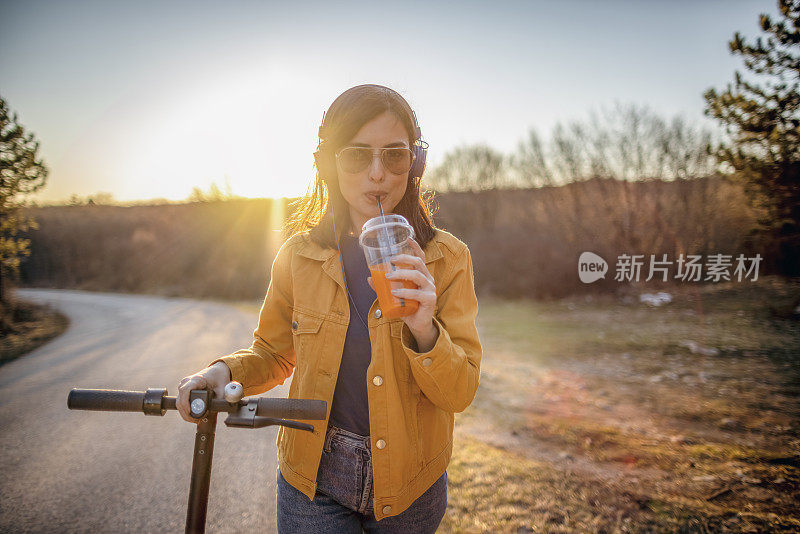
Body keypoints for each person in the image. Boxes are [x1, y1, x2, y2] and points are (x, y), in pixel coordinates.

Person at [176, 84, 482, 533]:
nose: (377, 174)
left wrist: (424, 328)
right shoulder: (298, 257)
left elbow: (460, 393)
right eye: (357, 156)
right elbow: (274, 353)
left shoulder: (449, 260)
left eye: (394, 156)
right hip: (315, 479)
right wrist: (222, 372)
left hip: (412, 483)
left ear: (414, 164)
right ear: (329, 164)